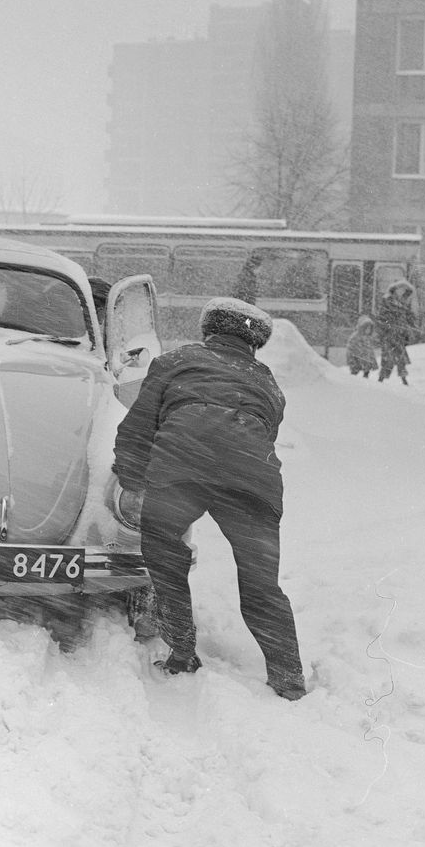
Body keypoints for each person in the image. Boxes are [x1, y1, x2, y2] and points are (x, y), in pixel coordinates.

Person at [113, 296, 307, 700]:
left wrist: (132, 481)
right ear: (253, 344)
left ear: (208, 332)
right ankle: (288, 679)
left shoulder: (174, 361)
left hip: (183, 466)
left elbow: (137, 428)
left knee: (166, 558)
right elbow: (264, 431)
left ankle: (181, 651)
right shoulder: (267, 381)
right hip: (253, 479)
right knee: (261, 585)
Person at [376, 279, 416, 385]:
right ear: (394, 290)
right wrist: (391, 327)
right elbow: (382, 319)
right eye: (399, 289)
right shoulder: (388, 301)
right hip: (390, 335)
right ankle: (382, 378)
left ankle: (402, 379)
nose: (402, 292)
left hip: (398, 335)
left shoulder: (400, 301)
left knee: (399, 358)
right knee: (389, 358)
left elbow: (410, 291)